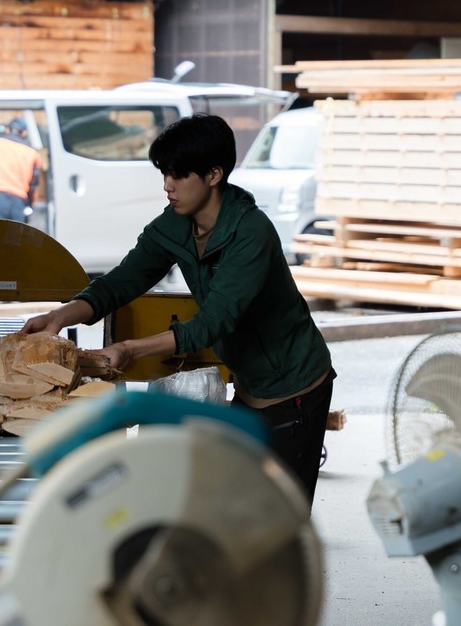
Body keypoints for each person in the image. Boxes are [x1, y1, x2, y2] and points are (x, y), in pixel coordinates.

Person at [20, 112, 335, 507]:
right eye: (164, 173)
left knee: (278, 519)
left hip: (295, 388)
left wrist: (131, 350)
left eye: (179, 175)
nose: (168, 185)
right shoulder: (177, 224)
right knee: (234, 507)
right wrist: (61, 316)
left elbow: (212, 322)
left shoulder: (251, 233)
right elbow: (123, 279)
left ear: (214, 174)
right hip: (252, 386)